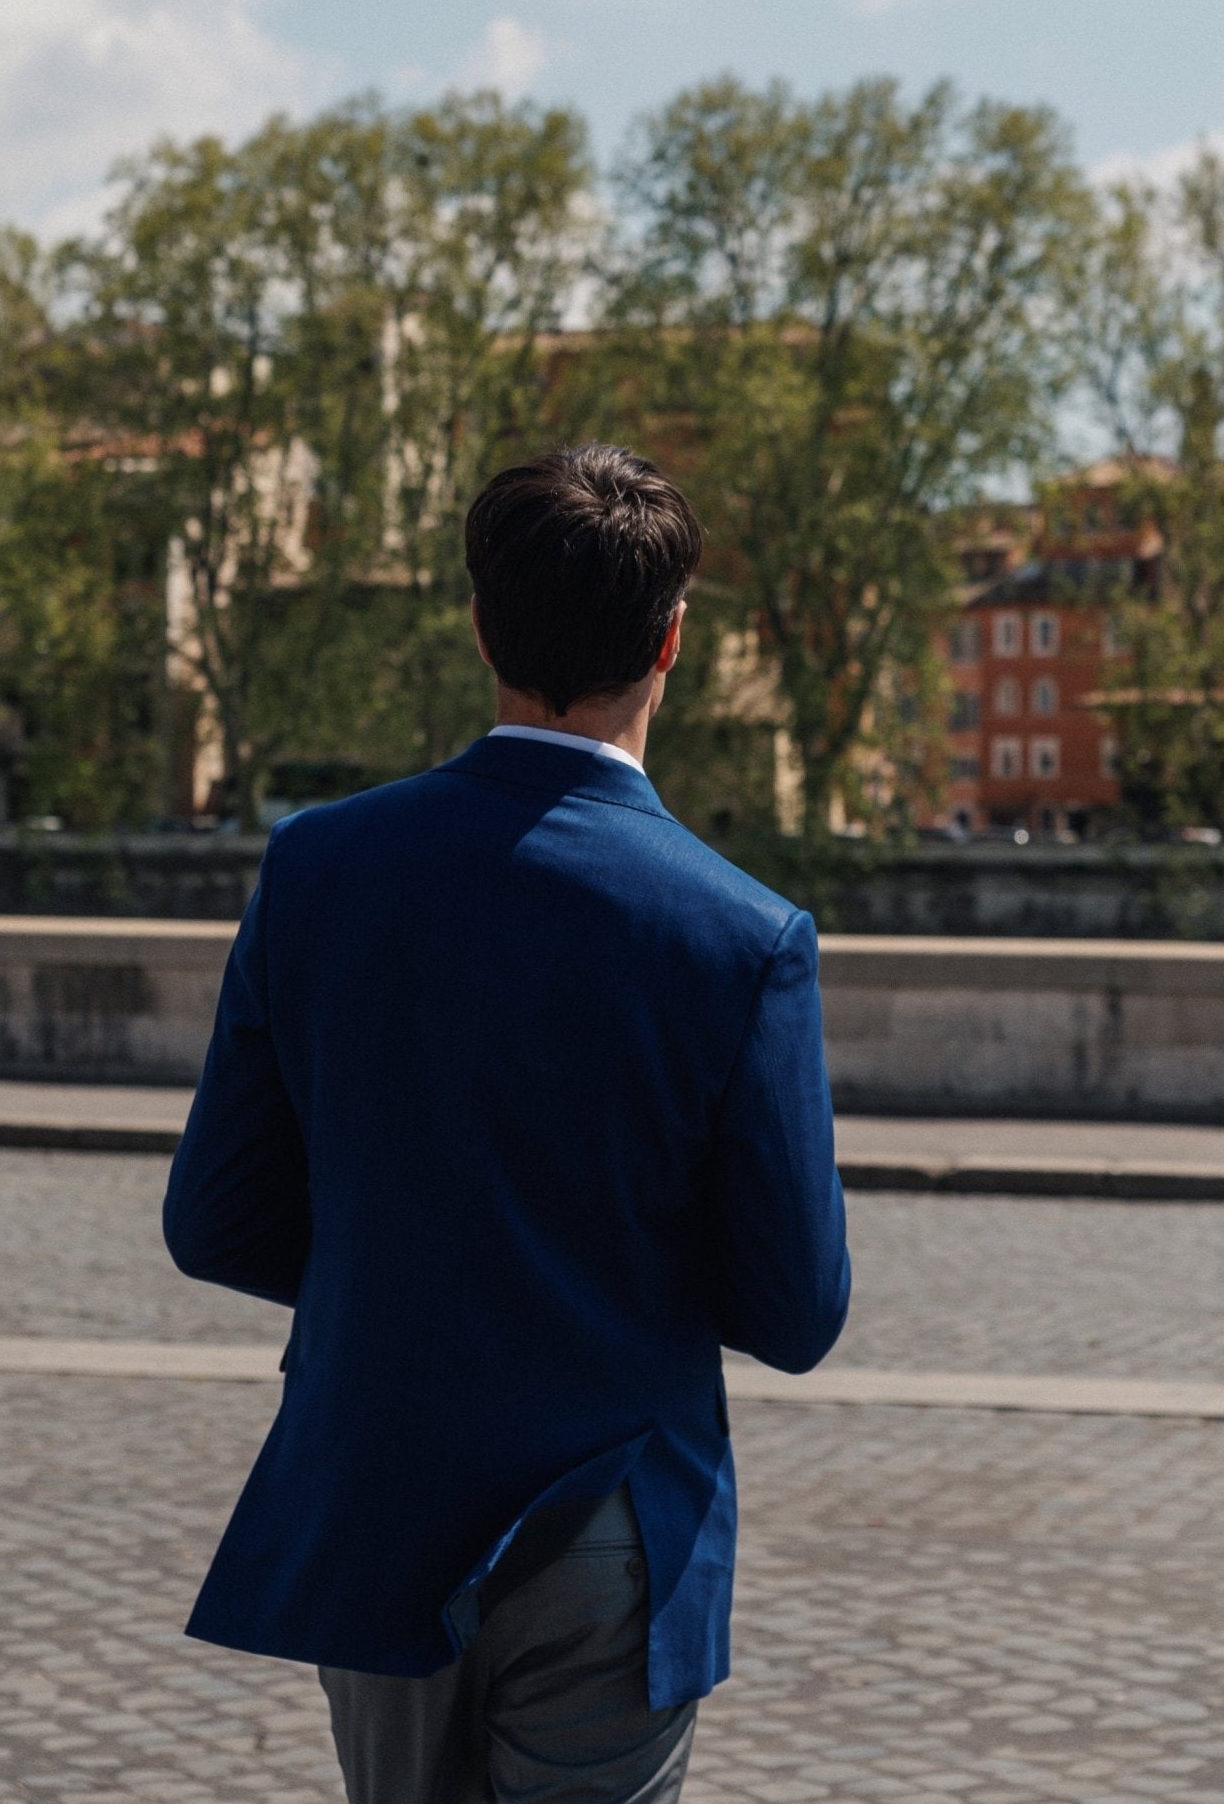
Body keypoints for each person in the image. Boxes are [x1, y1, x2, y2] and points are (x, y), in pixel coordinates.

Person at [163, 443, 852, 1804]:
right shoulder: (742, 935)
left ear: (481, 626)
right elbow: (796, 1311)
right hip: (615, 1507)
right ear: (670, 644)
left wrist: (410, 1268)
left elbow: (215, 1220)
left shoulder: (319, 867)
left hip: (378, 1474)